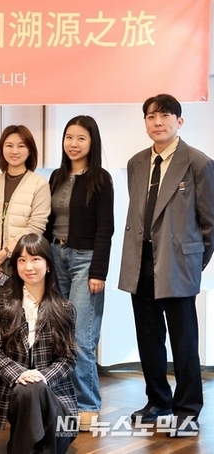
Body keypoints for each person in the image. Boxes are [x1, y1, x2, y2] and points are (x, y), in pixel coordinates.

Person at [119, 94, 214, 435]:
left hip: (178, 263)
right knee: (148, 337)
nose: (157, 122)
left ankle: (187, 410)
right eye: (151, 116)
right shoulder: (136, 163)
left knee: (184, 340)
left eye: (165, 116)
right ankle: (158, 400)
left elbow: (210, 223)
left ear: (179, 121)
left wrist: (194, 261)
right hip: (140, 260)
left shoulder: (198, 162)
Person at [43, 115, 114, 431]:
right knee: (58, 332)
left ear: (92, 142)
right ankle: (64, 400)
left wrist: (99, 271)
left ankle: (87, 404)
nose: (73, 144)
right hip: (55, 257)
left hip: (86, 261)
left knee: (81, 336)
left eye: (81, 138)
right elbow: (47, 223)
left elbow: (105, 228)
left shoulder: (101, 179)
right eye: (69, 137)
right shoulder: (56, 176)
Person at [0, 233, 77, 454]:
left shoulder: (64, 308)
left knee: (35, 389)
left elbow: (68, 358)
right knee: (28, 390)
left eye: (35, 259)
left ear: (48, 265)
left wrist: (42, 378)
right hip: (16, 395)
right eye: (22, 260)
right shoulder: (1, 304)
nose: (28, 266)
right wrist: (21, 375)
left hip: (55, 397)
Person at [0, 125, 50, 294]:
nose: (14, 151)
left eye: (21, 146)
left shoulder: (39, 184)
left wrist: (3, 254)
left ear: (30, 150)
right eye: (9, 145)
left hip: (24, 263)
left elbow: (36, 227)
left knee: (22, 308)